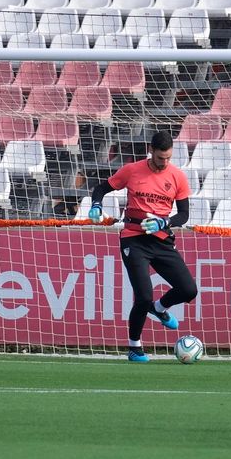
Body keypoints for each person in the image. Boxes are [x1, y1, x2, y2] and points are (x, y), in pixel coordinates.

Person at [88, 131, 197, 362]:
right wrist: (96, 205)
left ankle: (159, 307)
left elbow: (184, 214)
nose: (164, 163)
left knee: (189, 290)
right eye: (160, 158)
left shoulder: (177, 177)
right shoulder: (132, 170)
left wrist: (165, 221)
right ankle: (134, 347)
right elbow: (101, 189)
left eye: (167, 158)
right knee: (143, 296)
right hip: (134, 239)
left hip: (161, 239)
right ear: (151, 151)